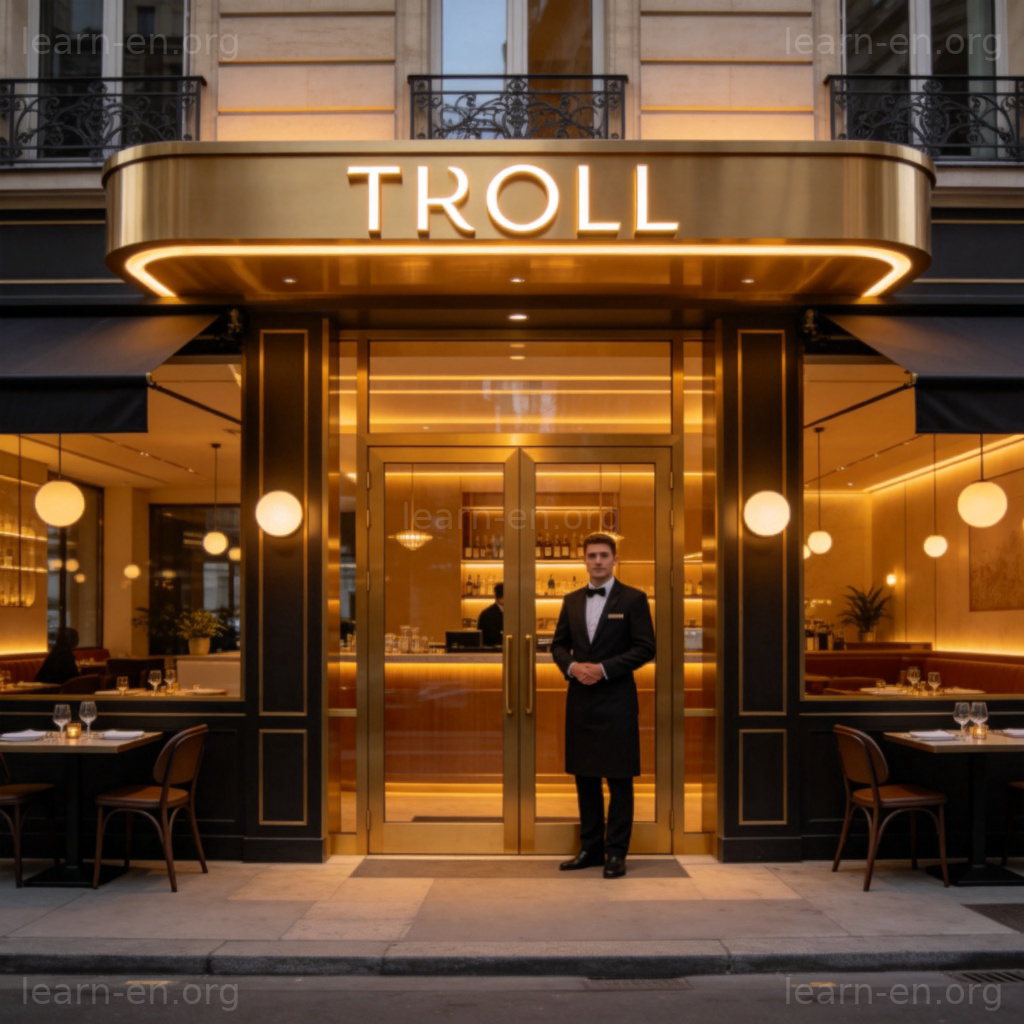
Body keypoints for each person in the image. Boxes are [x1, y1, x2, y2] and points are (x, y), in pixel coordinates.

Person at [550, 533, 655, 879]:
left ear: (614, 560)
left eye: (603, 556)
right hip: (581, 699)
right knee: (585, 777)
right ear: (584, 560)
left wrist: (603, 669)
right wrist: (573, 667)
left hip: (617, 699)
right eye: (592, 556)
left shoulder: (635, 599)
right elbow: (558, 646)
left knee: (620, 778)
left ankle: (616, 853)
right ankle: (590, 849)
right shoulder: (571, 600)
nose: (597, 561)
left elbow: (645, 648)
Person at [476, 582, 504, 647]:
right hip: (492, 651)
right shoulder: (486, 615)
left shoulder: (485, 613)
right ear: (500, 597)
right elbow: (482, 638)